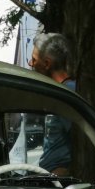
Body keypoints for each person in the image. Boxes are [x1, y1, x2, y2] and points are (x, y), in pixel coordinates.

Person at [29, 32, 76, 176]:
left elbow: (81, 140)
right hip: (49, 174)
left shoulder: (66, 93)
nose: (30, 63)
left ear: (47, 64)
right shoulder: (59, 91)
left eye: (34, 60)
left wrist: (66, 171)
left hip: (58, 177)